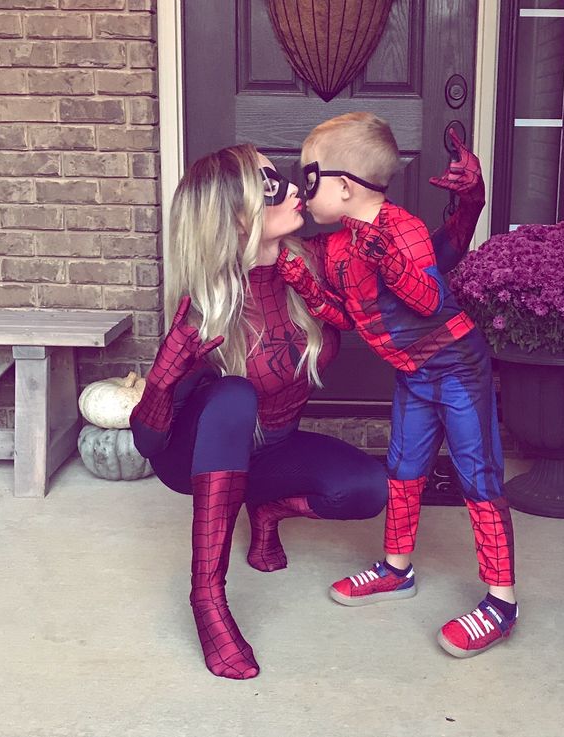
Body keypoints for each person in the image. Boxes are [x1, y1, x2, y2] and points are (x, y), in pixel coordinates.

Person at [129, 144, 388, 680]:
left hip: (272, 446)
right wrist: (165, 371)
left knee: (368, 488)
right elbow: (149, 444)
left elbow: (414, 260)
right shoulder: (207, 304)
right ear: (238, 213)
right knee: (234, 395)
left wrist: (467, 212)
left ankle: (265, 509)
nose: (295, 189)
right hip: (192, 460)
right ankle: (208, 600)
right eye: (270, 185)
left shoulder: (312, 263)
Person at [290, 112, 518, 658]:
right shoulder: (339, 245)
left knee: (478, 475)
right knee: (403, 471)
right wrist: (306, 284)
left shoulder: (403, 229)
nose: (302, 189)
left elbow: (428, 300)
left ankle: (502, 601)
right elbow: (350, 316)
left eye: (309, 178)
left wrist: (385, 256)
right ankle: (396, 569)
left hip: (457, 365)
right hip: (413, 374)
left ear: (343, 186)